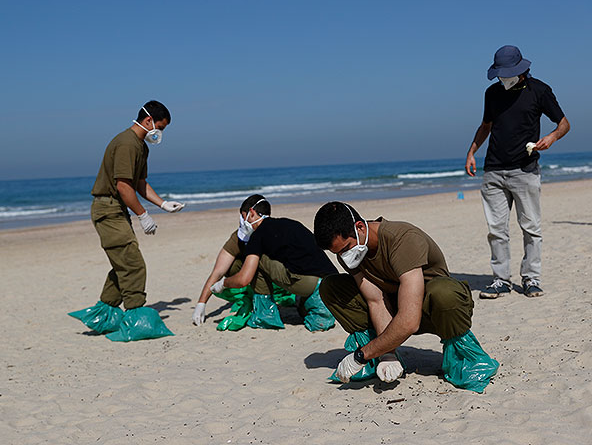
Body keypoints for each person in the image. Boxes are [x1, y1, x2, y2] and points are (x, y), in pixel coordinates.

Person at [313, 202, 499, 393]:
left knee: (444, 292)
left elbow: (410, 321)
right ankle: (379, 354)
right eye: (338, 253)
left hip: (436, 310)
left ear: (359, 227)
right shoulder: (351, 253)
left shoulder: (401, 239)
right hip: (395, 306)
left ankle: (465, 360)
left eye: (345, 248)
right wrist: (387, 355)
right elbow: (375, 300)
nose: (344, 256)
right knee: (331, 287)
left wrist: (361, 356)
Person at [69, 100, 185, 342]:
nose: (160, 133)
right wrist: (143, 215)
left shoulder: (142, 147)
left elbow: (140, 183)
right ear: (148, 121)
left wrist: (163, 204)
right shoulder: (126, 144)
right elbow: (123, 186)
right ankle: (135, 318)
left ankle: (104, 316)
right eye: (160, 128)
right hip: (108, 208)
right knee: (133, 265)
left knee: (123, 263)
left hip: (117, 209)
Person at [466, 45, 570, 299]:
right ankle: (501, 280)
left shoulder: (540, 91)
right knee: (496, 230)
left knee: (531, 227)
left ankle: (531, 278)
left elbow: (564, 123)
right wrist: (471, 152)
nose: (503, 78)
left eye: (507, 73)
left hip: (525, 170)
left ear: (521, 70)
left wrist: (552, 138)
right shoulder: (492, 93)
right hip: (493, 170)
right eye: (500, 74)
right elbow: (486, 125)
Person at [197, 194, 337, 331]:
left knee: (257, 260)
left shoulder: (258, 236)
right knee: (302, 309)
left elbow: (244, 279)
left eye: (242, 215)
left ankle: (265, 317)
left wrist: (223, 284)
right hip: (330, 284)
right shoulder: (289, 224)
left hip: (310, 285)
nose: (241, 221)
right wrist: (201, 303)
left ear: (251, 213)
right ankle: (305, 304)